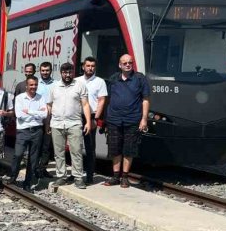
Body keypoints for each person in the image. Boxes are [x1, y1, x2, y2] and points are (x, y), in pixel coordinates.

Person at [104, 53, 150, 188]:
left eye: (130, 62)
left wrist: (144, 119)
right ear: (120, 65)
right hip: (114, 120)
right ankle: (115, 176)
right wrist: (105, 120)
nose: (128, 65)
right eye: (125, 63)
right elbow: (107, 99)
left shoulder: (140, 79)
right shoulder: (113, 79)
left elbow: (146, 99)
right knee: (115, 148)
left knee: (129, 149)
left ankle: (125, 177)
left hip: (132, 120)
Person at [47, 61, 91, 189]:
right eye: (65, 72)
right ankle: (61, 176)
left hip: (74, 123)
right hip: (56, 123)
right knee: (58, 152)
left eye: (70, 72)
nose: (67, 75)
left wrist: (88, 121)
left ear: (73, 73)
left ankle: (78, 177)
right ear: (61, 73)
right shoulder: (54, 87)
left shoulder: (80, 86)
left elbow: (85, 104)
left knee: (76, 151)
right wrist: (48, 123)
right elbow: (49, 105)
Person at [9, 77, 48, 191]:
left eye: (35, 85)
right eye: (31, 85)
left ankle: (28, 182)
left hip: (37, 131)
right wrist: (37, 113)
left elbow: (45, 114)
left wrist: (30, 112)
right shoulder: (20, 98)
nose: (33, 87)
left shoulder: (41, 98)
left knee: (33, 158)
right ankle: (13, 176)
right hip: (23, 131)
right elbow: (20, 115)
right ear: (26, 85)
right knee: (18, 154)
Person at [80, 56, 109, 185]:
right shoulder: (76, 81)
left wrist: (95, 118)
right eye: (88, 66)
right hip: (76, 117)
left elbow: (102, 100)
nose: (90, 68)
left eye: (92, 66)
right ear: (83, 67)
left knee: (90, 147)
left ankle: (90, 175)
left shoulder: (100, 82)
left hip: (91, 117)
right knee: (75, 147)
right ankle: (76, 174)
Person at [34, 61, 56, 179]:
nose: (45, 72)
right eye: (43, 70)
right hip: (38, 120)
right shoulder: (36, 84)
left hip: (51, 120)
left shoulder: (56, 84)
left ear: (51, 71)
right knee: (36, 145)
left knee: (47, 146)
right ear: (40, 71)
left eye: (47, 70)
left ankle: (43, 169)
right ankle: (35, 169)